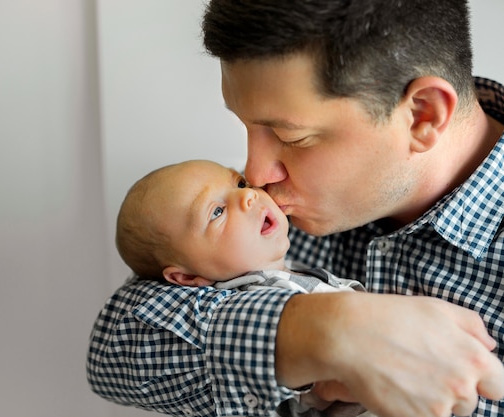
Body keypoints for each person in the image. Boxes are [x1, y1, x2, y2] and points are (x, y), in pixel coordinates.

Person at [87, 1, 504, 417]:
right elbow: (118, 346)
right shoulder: (275, 215)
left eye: (292, 137)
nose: (255, 173)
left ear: (422, 115)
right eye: (247, 127)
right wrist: (327, 329)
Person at [116, 159, 374, 417]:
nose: (248, 196)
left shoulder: (295, 272)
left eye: (240, 183)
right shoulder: (256, 303)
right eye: (217, 212)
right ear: (186, 277)